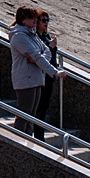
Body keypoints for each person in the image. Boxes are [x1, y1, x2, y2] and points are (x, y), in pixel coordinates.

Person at [9, 5, 67, 135]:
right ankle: (18, 144)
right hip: (25, 80)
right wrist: (54, 71)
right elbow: (37, 55)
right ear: (23, 20)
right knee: (24, 115)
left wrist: (38, 58)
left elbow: (46, 52)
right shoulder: (19, 36)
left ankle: (28, 145)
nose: (35, 20)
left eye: (36, 18)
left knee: (31, 117)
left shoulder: (33, 34)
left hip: (36, 79)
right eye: (31, 18)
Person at [33, 10, 58, 141]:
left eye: (47, 20)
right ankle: (38, 137)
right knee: (38, 109)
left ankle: (39, 137)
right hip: (41, 78)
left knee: (43, 109)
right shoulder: (36, 38)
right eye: (43, 20)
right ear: (36, 22)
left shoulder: (46, 36)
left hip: (50, 78)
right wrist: (50, 47)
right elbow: (40, 58)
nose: (46, 23)